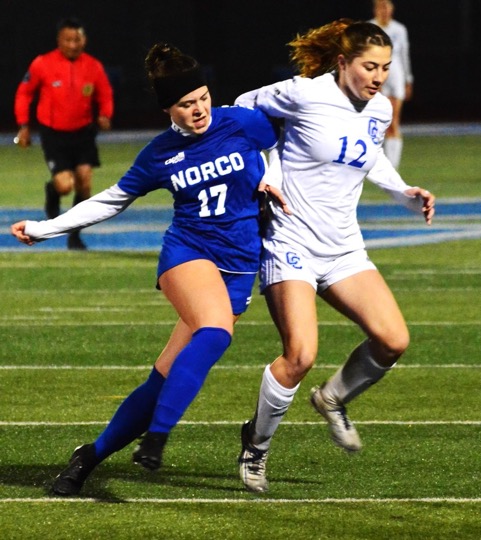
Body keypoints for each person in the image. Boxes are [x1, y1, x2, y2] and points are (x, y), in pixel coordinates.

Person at [11, 43, 288, 496]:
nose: (198, 110)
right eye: (185, 104)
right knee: (216, 332)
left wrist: (271, 175)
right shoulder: (160, 154)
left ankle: (90, 455)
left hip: (239, 264)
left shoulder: (240, 121)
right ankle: (157, 438)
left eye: (201, 97)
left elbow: (275, 144)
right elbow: (111, 199)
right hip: (189, 250)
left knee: (163, 376)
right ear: (168, 109)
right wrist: (46, 228)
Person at [233, 19, 435, 493]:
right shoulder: (305, 93)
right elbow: (243, 107)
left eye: (385, 67)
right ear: (343, 62)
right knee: (300, 354)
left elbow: (371, 156)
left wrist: (405, 192)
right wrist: (265, 169)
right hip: (290, 240)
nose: (379, 76)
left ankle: (333, 398)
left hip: (343, 246)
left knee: (393, 339)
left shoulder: (380, 108)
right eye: (369, 66)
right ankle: (255, 446)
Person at [14, 17, 114, 250]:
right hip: (54, 135)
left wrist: (106, 115)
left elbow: (105, 94)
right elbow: (24, 93)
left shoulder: (93, 66)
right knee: (64, 186)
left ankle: (75, 235)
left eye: (77, 39)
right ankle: (52, 190)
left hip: (84, 133)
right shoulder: (42, 64)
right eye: (68, 40)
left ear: (84, 40)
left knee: (85, 184)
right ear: (59, 40)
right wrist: (23, 124)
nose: (72, 44)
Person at [370, 0, 413, 169]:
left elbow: (404, 54)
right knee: (378, 121)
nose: (384, 11)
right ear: (375, 10)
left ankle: (391, 167)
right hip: (377, 77)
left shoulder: (399, 29)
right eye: (381, 8)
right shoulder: (369, 29)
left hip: (395, 77)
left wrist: (408, 79)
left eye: (387, 8)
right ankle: (374, 163)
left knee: (393, 121)